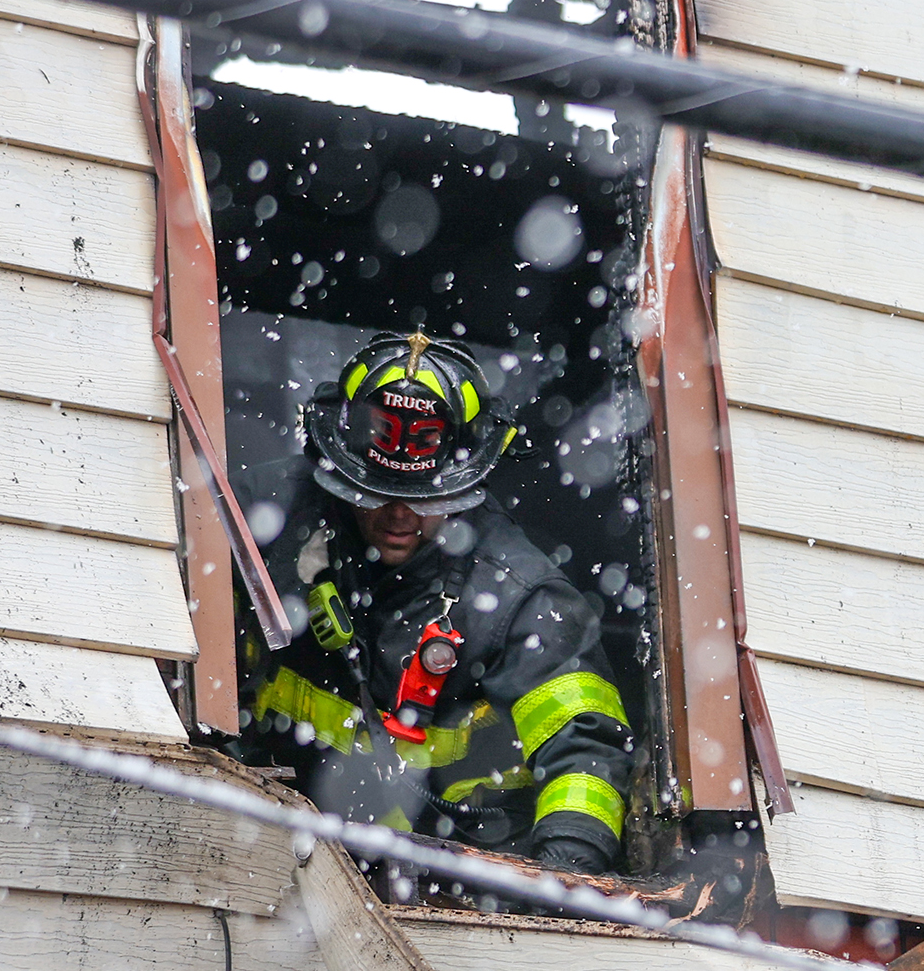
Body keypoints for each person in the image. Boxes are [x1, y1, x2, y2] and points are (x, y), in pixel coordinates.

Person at [240, 331, 635, 876]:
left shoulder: (520, 597)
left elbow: (586, 750)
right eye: (376, 494)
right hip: (274, 852)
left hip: (456, 880)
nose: (399, 516)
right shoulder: (270, 519)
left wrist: (565, 872)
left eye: (427, 500)